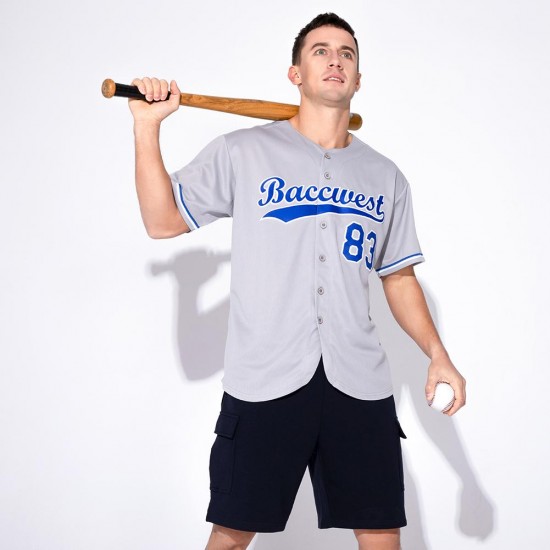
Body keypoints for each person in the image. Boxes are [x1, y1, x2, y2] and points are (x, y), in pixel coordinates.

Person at [128, 12, 466, 550]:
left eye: (346, 54)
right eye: (320, 51)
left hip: (359, 381)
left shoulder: (385, 176)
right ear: (295, 75)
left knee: (380, 532)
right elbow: (161, 220)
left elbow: (398, 277)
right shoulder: (243, 151)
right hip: (265, 379)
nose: (335, 60)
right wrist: (148, 128)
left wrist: (437, 354)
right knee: (233, 533)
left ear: (357, 79)